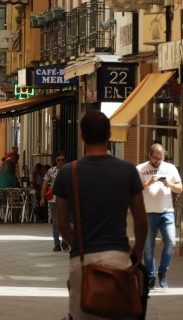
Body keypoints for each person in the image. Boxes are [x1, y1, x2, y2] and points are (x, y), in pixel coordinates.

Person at [55, 110, 147, 320]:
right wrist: (138, 250)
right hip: (118, 258)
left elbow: (62, 223)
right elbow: (141, 218)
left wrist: (78, 243)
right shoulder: (127, 170)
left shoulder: (68, 172)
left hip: (83, 261)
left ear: (82, 136)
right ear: (109, 135)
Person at [137, 143, 183, 289]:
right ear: (149, 155)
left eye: (160, 158)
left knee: (171, 243)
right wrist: (149, 183)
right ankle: (150, 277)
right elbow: (133, 189)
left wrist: (169, 184)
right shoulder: (140, 169)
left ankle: (162, 272)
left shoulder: (170, 168)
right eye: (155, 158)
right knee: (148, 248)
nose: (158, 161)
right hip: (148, 212)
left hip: (167, 212)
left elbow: (180, 188)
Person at [40, 151, 68, 252]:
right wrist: (42, 197)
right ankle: (57, 243)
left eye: (62, 160)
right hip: (53, 199)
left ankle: (65, 242)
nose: (60, 162)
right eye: (58, 160)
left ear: (66, 161)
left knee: (65, 220)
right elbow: (44, 184)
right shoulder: (51, 171)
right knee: (55, 222)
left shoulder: (69, 171)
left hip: (65, 199)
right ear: (56, 161)